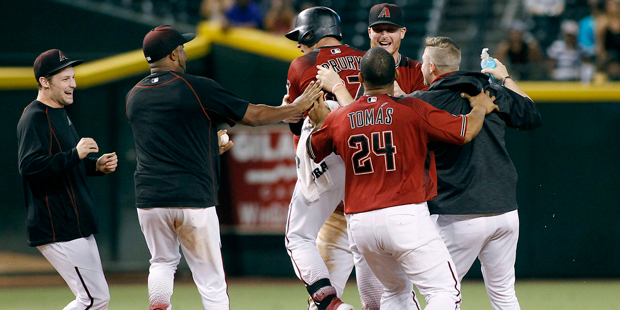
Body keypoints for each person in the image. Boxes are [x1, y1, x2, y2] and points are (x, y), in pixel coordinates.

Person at [125, 25, 322, 310]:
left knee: (162, 262)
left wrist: (207, 147)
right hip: (192, 199)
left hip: (149, 199)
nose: (184, 52)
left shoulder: (134, 96)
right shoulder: (195, 86)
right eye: (181, 48)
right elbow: (252, 115)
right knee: (211, 281)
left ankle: (158, 307)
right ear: (172, 54)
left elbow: (166, 145)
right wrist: (293, 108)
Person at [308, 46, 498, 310]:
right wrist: (480, 108)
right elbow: (464, 131)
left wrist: (320, 122)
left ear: (361, 80)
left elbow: (313, 150)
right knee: (445, 292)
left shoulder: (340, 116)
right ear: (395, 76)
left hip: (360, 224)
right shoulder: (412, 108)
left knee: (395, 293)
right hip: (404, 214)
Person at [407, 36, 542, 310]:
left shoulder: (422, 102)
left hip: (459, 214)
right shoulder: (488, 91)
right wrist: (503, 77)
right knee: (504, 294)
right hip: (504, 211)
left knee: (442, 293)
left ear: (431, 67)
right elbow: (531, 113)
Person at [283, 6, 382, 310]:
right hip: (373, 160)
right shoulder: (368, 58)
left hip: (332, 153)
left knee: (297, 236)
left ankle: (331, 304)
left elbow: (300, 122)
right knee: (371, 257)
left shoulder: (303, 64)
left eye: (301, 35)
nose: (298, 42)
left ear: (313, 32)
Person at [17, 49, 118, 310]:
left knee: (96, 300)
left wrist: (95, 165)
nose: (73, 84)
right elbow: (29, 167)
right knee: (94, 300)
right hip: (56, 224)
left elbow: (65, 162)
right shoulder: (34, 116)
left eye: (73, 77)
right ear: (44, 81)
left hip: (75, 221)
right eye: (65, 79)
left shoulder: (59, 111)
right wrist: (74, 154)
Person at [367, 3, 426, 94]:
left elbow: (426, 107)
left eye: (391, 30)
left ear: (402, 32)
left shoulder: (417, 72)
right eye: (378, 30)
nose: (384, 35)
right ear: (369, 32)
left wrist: (403, 98)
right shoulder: (351, 65)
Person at [596, 0, 620, 80]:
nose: (616, 7)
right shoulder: (603, 21)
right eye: (613, 4)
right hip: (609, 57)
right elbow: (600, 45)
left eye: (617, 4)